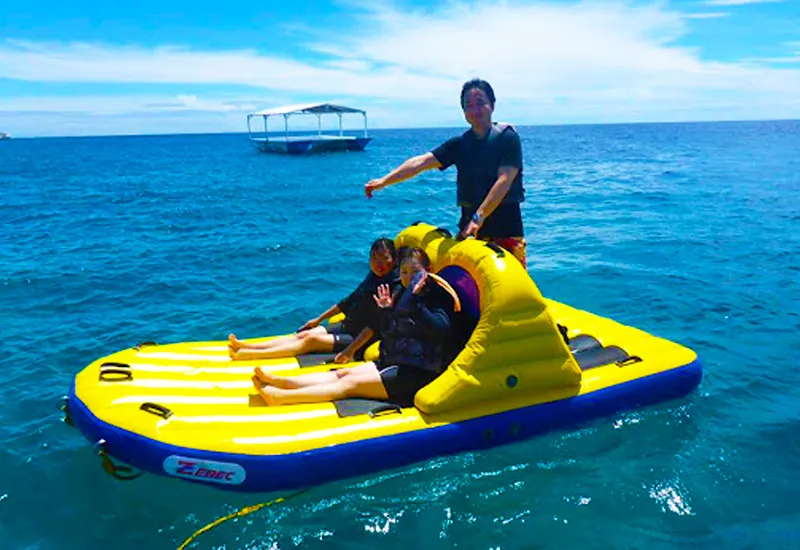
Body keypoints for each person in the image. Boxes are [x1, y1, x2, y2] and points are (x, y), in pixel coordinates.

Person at [251, 248, 457, 407]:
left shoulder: (436, 296)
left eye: (415, 272)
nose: (408, 277)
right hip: (395, 361)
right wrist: (386, 311)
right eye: (404, 271)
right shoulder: (404, 294)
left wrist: (415, 304)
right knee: (341, 374)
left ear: (427, 271)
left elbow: (440, 330)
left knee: (349, 385)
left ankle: (282, 397)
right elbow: (392, 332)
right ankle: (283, 382)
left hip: (417, 374)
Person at [364, 78, 528, 268]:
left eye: (480, 103)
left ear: (492, 105)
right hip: (470, 232)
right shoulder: (460, 144)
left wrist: (478, 218)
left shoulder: (508, 138)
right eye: (469, 105)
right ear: (464, 111)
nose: (475, 110)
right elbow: (421, 162)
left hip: (505, 232)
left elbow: (505, 180)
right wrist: (384, 181)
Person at [229, 237, 400, 361]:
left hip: (358, 337)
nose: (379, 263)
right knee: (304, 334)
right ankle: (247, 346)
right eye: (374, 258)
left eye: (384, 258)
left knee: (310, 340)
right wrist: (318, 320)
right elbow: (348, 301)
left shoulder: (391, 285)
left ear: (393, 260)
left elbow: (373, 325)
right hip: (348, 325)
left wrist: (349, 351)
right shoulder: (373, 277)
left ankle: (251, 355)